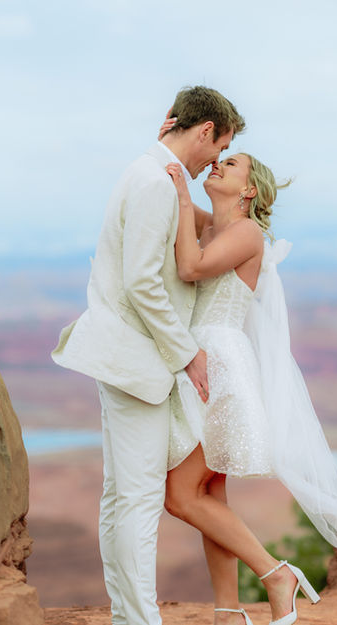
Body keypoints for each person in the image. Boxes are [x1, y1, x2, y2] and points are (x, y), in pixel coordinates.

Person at [161, 142, 337, 625]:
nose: (217, 165)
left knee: (180, 495)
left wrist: (186, 201)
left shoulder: (248, 233)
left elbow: (189, 267)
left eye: (228, 163)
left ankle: (276, 575)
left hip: (219, 367)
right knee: (209, 494)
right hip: (201, 360)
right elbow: (170, 206)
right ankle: (228, 610)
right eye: (218, 159)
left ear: (249, 190)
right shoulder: (216, 225)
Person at [51, 86, 245, 625]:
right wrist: (189, 356)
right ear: (206, 131)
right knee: (136, 501)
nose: (214, 159)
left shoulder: (150, 173)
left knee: (120, 498)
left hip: (124, 358)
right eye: (219, 146)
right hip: (137, 363)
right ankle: (140, 620)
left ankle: (126, 616)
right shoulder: (156, 183)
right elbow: (142, 284)